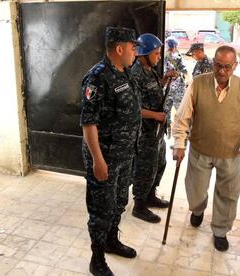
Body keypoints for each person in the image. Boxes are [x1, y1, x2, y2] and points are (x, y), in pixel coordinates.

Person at [172, 45, 240, 251]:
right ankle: (197, 209)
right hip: (200, 149)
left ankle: (220, 230)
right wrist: (179, 143)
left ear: (235, 66)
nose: (222, 71)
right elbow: (182, 117)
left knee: (228, 194)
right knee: (195, 190)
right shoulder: (198, 83)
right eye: (218, 66)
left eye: (227, 67)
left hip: (230, 152)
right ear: (213, 63)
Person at [81, 26, 141, 276]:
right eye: (133, 47)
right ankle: (97, 259)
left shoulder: (124, 72)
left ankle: (111, 241)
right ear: (119, 48)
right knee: (101, 209)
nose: (136, 52)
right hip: (105, 157)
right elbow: (88, 123)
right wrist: (98, 160)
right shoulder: (97, 77)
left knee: (119, 202)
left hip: (125, 155)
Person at [131, 33, 178, 223]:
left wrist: (165, 79)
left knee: (159, 164)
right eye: (156, 53)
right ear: (144, 54)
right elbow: (133, 108)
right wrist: (156, 115)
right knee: (145, 168)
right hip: (145, 131)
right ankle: (139, 205)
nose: (159, 57)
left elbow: (154, 91)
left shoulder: (149, 70)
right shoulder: (135, 74)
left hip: (156, 131)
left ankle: (151, 195)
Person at [164, 36, 188, 111]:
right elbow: (185, 71)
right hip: (178, 88)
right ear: (174, 46)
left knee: (166, 111)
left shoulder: (161, 56)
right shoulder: (178, 57)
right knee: (181, 110)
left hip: (166, 87)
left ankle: (167, 123)